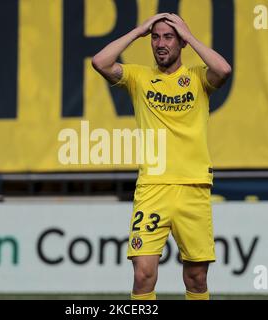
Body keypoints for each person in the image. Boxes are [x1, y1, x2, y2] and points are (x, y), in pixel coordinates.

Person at [92, 13, 231, 300]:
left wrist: (190, 37)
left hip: (194, 186)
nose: (160, 43)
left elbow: (224, 69)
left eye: (168, 36)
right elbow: (100, 62)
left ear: (180, 42)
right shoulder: (139, 78)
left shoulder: (197, 78)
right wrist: (139, 30)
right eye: (156, 37)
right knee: (143, 275)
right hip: (152, 187)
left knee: (196, 278)